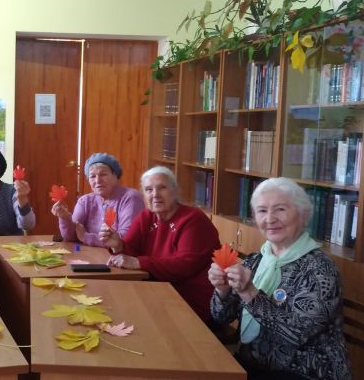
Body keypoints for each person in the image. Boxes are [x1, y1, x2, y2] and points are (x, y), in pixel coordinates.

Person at [208, 177, 350, 379]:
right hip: (252, 365)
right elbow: (221, 317)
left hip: (305, 373)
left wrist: (249, 292)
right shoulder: (256, 260)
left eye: (280, 209)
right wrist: (222, 290)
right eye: (262, 211)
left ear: (303, 215)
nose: (270, 219)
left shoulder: (320, 270)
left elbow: (296, 333)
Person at [100, 165, 218, 323]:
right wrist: (118, 245)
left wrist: (139, 262)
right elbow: (131, 251)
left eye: (162, 188)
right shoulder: (146, 216)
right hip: (157, 293)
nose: (155, 195)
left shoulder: (194, 219)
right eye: (148, 189)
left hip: (191, 303)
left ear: (175, 191)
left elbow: (185, 265)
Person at [51, 152, 144, 247]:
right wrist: (65, 218)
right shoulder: (85, 201)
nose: (97, 180)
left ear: (116, 176)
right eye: (92, 176)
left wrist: (87, 237)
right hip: (91, 256)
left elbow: (125, 238)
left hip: (120, 258)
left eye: (103, 174)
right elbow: (72, 236)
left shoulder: (131, 198)